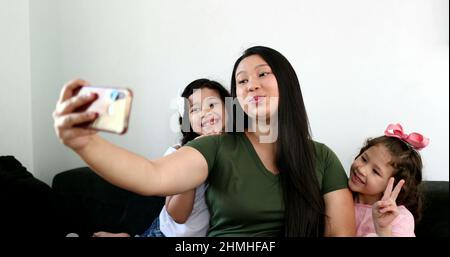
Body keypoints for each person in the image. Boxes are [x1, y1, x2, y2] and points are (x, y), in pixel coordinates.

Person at [53, 46, 355, 237]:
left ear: (287, 83)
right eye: (241, 81)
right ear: (237, 99)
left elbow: (340, 232)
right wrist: (84, 143)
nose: (251, 84)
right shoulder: (215, 147)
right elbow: (151, 175)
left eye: (263, 73)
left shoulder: (323, 158)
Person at [92, 78, 230, 237]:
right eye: (194, 110)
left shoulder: (237, 149)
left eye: (212, 105)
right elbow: (178, 215)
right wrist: (192, 159)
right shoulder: (178, 154)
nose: (205, 113)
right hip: (166, 234)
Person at [348, 123, 428, 237]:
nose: (362, 170)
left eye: (375, 171)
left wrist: (383, 229)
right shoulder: (339, 196)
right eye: (364, 159)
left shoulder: (400, 218)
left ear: (394, 185)